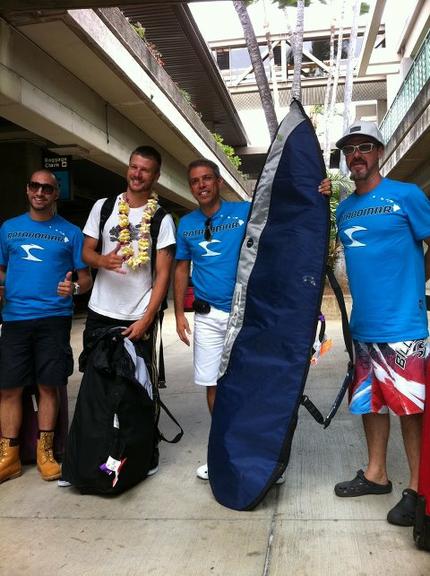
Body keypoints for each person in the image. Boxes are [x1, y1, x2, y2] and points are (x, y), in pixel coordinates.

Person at [174, 158, 331, 480]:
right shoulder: (186, 224)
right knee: (213, 384)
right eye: (195, 181)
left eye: (207, 179)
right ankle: (224, 452)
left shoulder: (242, 211)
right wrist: (178, 312)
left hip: (246, 313)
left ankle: (262, 456)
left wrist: (316, 192)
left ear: (218, 182)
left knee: (251, 382)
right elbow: (180, 267)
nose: (201, 185)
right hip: (206, 317)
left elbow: (282, 211)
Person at [333, 120, 430, 527]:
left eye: (365, 147)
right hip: (363, 327)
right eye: (349, 149)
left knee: (411, 410)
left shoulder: (406, 195)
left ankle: (419, 491)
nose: (357, 155)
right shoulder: (344, 208)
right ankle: (376, 474)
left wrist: (415, 284)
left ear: (379, 152)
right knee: (370, 404)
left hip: (404, 326)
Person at [81, 145, 176, 475]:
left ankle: (142, 457)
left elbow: (163, 273)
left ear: (155, 176)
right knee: (98, 386)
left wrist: (147, 318)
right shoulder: (104, 207)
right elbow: (86, 252)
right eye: (133, 167)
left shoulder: (162, 219)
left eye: (145, 170)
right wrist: (101, 261)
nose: (137, 174)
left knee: (139, 389)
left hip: (138, 314)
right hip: (100, 311)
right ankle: (92, 457)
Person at [0, 169, 92, 483]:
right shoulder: (8, 230)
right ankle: (8, 456)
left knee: (48, 386)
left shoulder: (71, 232)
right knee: (9, 387)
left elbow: (86, 279)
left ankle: (46, 453)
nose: (40, 192)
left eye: (47, 188)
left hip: (53, 319)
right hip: (15, 319)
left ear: (55, 194)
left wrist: (75, 290)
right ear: (27, 190)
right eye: (35, 186)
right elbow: (2, 271)